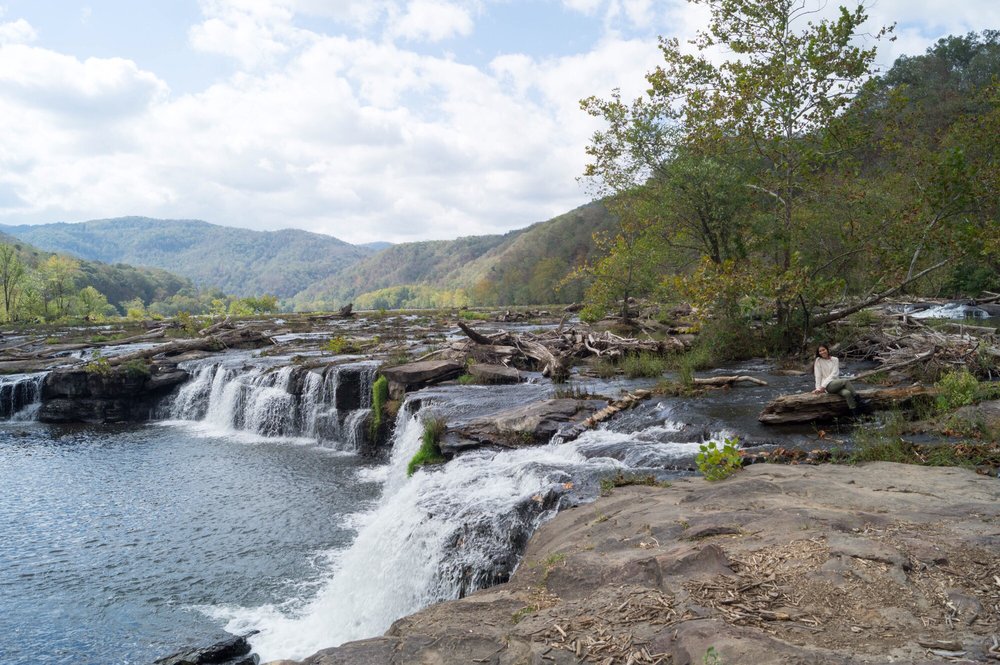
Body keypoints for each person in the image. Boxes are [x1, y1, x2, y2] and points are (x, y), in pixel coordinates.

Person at [813, 344, 861, 411]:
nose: (822, 352)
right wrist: (818, 388)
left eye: (823, 350)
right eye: (820, 351)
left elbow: (834, 374)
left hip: (836, 384)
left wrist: (822, 387)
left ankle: (855, 414)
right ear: (818, 353)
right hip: (827, 386)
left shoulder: (835, 359)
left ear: (827, 350)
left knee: (847, 393)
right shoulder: (818, 360)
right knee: (845, 381)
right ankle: (859, 401)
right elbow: (818, 375)